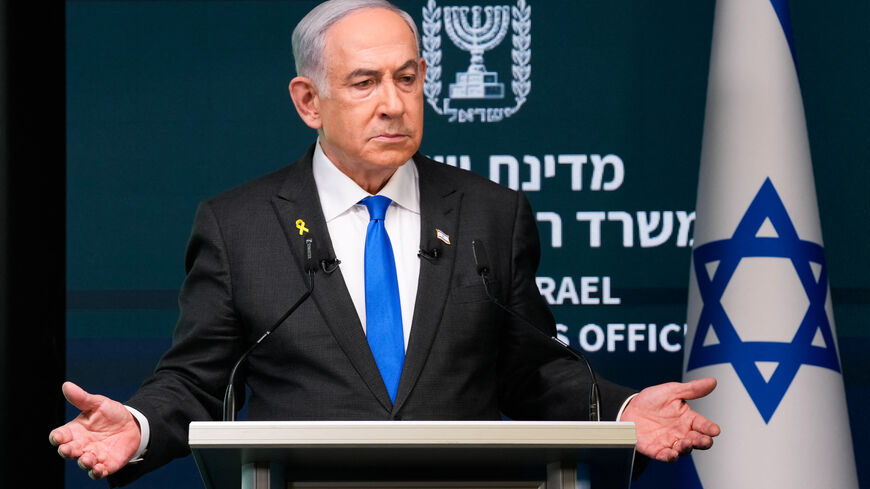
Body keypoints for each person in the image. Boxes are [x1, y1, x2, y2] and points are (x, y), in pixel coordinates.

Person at [50, 1, 721, 485]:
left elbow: (535, 371)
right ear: (308, 101)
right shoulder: (241, 225)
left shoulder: (491, 213)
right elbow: (198, 380)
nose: (394, 103)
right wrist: (138, 424)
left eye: (407, 77)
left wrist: (625, 410)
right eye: (365, 82)